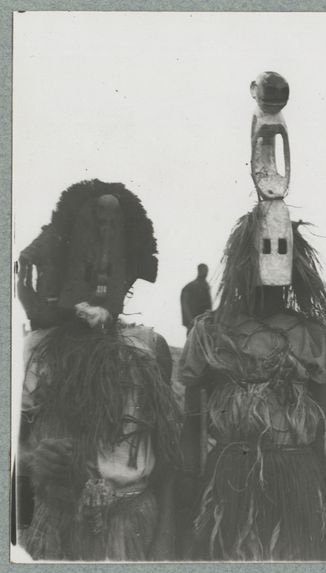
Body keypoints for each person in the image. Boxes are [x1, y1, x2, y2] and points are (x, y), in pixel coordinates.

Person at [176, 71, 326, 561]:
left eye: (282, 250)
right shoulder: (210, 333)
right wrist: (192, 474)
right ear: (245, 258)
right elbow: (192, 411)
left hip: (299, 477)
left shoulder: (311, 336)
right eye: (265, 249)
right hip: (231, 477)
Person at [16, 179, 181, 561]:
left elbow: (169, 458)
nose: (101, 265)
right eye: (91, 242)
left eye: (114, 247)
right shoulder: (37, 351)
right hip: (52, 526)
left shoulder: (148, 349)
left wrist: (165, 540)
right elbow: (16, 445)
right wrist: (28, 459)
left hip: (131, 525)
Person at [180, 264, 212, 333]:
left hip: (205, 323)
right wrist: (191, 321)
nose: (206, 273)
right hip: (194, 323)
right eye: (204, 271)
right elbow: (184, 304)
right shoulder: (190, 287)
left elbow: (209, 305)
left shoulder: (206, 287)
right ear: (199, 271)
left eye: (207, 271)